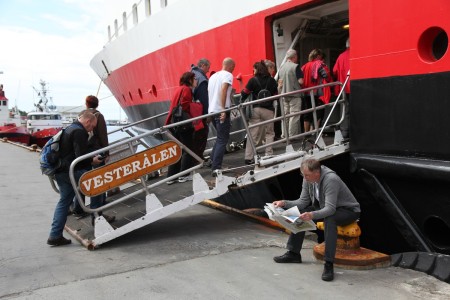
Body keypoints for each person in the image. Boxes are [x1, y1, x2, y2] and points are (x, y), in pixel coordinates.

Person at [272, 158, 361, 281]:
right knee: (300, 213)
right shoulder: (307, 179)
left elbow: (330, 209)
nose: (305, 177)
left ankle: (328, 264)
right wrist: (284, 203)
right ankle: (293, 253)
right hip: (325, 207)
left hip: (348, 210)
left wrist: (312, 215)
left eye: (307, 175)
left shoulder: (331, 179)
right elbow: (302, 202)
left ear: (317, 173)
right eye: (303, 174)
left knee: (330, 219)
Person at [47, 110, 104, 246]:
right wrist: (93, 161)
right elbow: (80, 157)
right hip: (71, 171)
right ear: (88, 121)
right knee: (98, 186)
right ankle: (98, 222)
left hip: (61, 170)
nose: (92, 130)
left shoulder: (69, 128)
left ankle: (55, 235)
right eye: (92, 126)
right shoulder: (79, 132)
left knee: (64, 201)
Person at [240, 61, 277, 164]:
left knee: (252, 133)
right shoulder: (272, 80)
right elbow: (276, 95)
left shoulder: (253, 80)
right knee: (269, 133)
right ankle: (268, 154)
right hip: (268, 109)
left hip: (255, 109)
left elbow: (245, 93)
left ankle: (248, 157)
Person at [165, 71, 197, 184]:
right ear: (190, 80)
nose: (196, 81)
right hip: (183, 123)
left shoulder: (178, 89)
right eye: (195, 79)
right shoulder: (187, 89)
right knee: (188, 148)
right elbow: (184, 105)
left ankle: (171, 176)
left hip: (174, 122)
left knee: (178, 149)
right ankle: (184, 174)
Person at [208, 57, 235, 176]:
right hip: (221, 110)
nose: (233, 71)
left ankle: (212, 160)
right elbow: (223, 90)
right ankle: (216, 168)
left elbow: (211, 93)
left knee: (219, 137)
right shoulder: (228, 75)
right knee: (223, 139)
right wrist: (223, 109)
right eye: (233, 68)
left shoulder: (213, 77)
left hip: (213, 111)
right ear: (230, 67)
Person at [301, 49, 332, 133]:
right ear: (318, 56)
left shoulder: (304, 66)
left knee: (307, 113)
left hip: (306, 92)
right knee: (319, 112)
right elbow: (326, 75)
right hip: (317, 93)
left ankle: (306, 133)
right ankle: (316, 132)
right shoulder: (319, 64)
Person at [277, 49, 304, 139]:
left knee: (286, 116)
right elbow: (301, 81)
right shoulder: (295, 67)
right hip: (294, 94)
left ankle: (284, 135)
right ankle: (292, 136)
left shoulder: (281, 67)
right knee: (294, 115)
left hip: (284, 95)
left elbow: (280, 82)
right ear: (294, 57)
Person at [190, 58, 210, 163]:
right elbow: (204, 98)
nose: (208, 70)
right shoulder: (201, 79)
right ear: (202, 65)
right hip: (199, 112)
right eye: (208, 67)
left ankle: (196, 158)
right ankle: (198, 158)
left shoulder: (193, 73)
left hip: (193, 112)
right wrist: (207, 115)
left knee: (196, 136)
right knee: (202, 133)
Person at [333, 38, 350, 138]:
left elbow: (334, 71)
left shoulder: (341, 56)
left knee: (344, 111)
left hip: (343, 88)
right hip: (356, 87)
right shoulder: (356, 54)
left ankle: (344, 132)